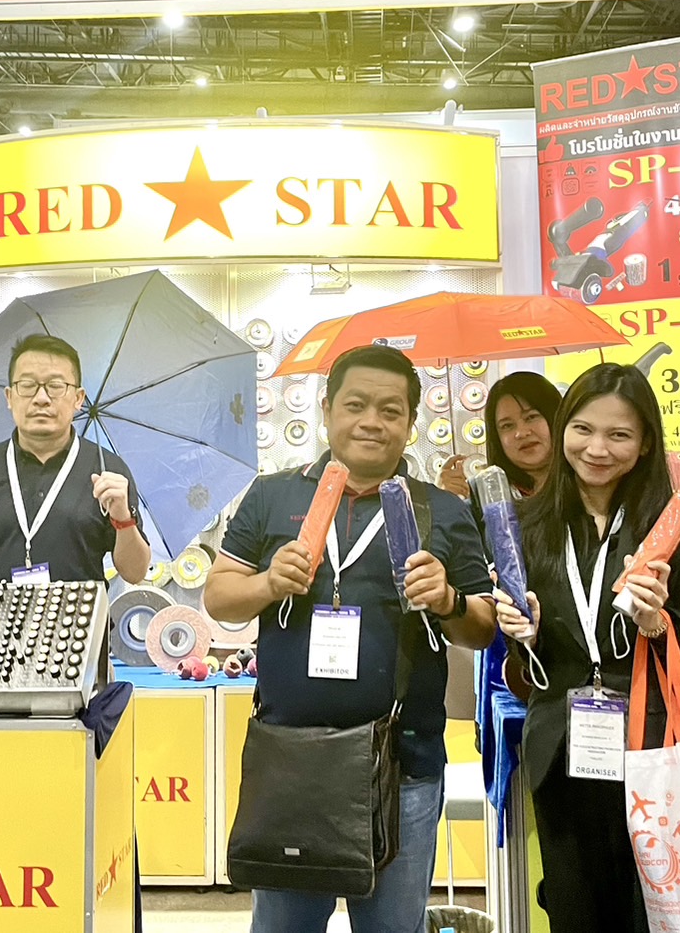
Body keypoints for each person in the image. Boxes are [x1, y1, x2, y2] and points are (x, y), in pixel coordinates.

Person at [204, 343, 497, 933]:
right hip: (292, 758)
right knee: (283, 928)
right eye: (356, 405)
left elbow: (484, 627)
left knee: (391, 927)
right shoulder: (274, 494)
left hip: (403, 765)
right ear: (327, 410)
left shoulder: (440, 510)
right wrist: (267, 583)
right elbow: (218, 595)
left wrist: (447, 600)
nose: (371, 422)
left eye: (390, 410)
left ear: (410, 424)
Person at [494, 362, 680, 932]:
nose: (597, 449)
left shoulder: (675, 524)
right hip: (564, 751)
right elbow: (530, 672)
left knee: (661, 913)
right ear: (563, 429)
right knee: (576, 911)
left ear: (645, 444)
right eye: (583, 430)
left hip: (655, 747)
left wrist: (656, 623)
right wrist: (525, 637)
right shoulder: (526, 525)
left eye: (618, 434)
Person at [0, 334, 150, 584]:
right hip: (0, 611)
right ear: (9, 397)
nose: (41, 398)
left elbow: (135, 573)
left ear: (78, 398)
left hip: (83, 610)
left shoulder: (107, 470)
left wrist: (123, 518)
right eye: (27, 385)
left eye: (56, 386)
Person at [438, 371, 563, 502]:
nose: (521, 433)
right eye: (507, 425)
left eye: (531, 417)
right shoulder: (481, 497)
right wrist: (442, 501)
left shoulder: (578, 482)